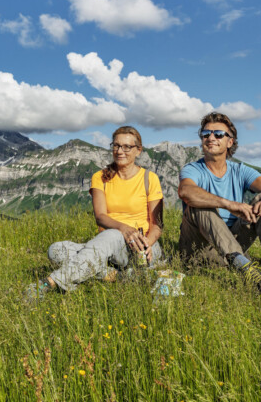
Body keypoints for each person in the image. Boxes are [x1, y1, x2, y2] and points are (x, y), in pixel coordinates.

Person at [25, 126, 164, 301]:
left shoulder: (149, 178)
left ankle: (50, 283)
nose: (120, 151)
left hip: (141, 246)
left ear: (138, 150)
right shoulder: (100, 177)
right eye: (116, 145)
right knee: (56, 251)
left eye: (127, 147)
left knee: (112, 235)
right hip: (108, 245)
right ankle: (119, 276)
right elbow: (100, 217)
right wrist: (123, 228)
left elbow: (157, 225)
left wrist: (147, 245)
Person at [177, 112, 261, 301]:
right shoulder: (193, 169)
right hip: (200, 247)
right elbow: (186, 192)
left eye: (218, 134)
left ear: (230, 142)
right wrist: (229, 205)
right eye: (206, 134)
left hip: (233, 244)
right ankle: (247, 271)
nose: (210, 138)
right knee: (199, 205)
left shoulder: (239, 170)